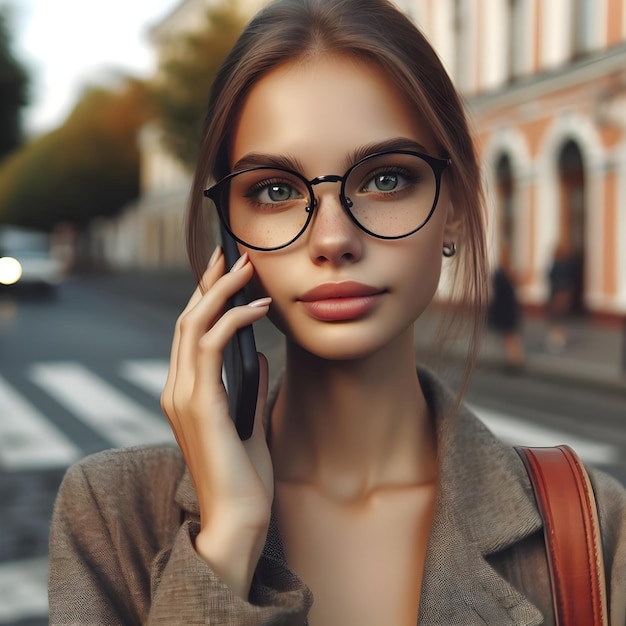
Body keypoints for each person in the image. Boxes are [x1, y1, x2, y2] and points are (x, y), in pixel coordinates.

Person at [48, 1, 626, 624]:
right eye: (274, 190)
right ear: (230, 231)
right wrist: (224, 545)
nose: (332, 240)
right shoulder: (109, 513)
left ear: (455, 206)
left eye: (384, 179)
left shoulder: (590, 525)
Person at [488, 247, 525, 371]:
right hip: (508, 307)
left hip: (504, 308)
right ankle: (515, 359)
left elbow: (497, 290)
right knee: (511, 335)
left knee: (509, 336)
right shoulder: (508, 272)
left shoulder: (501, 273)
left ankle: (514, 361)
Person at [546, 241, 577, 352]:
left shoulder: (558, 263)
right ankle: (559, 339)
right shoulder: (567, 263)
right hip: (563, 293)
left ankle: (557, 340)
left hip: (558, 293)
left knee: (556, 317)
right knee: (559, 317)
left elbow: (551, 277)